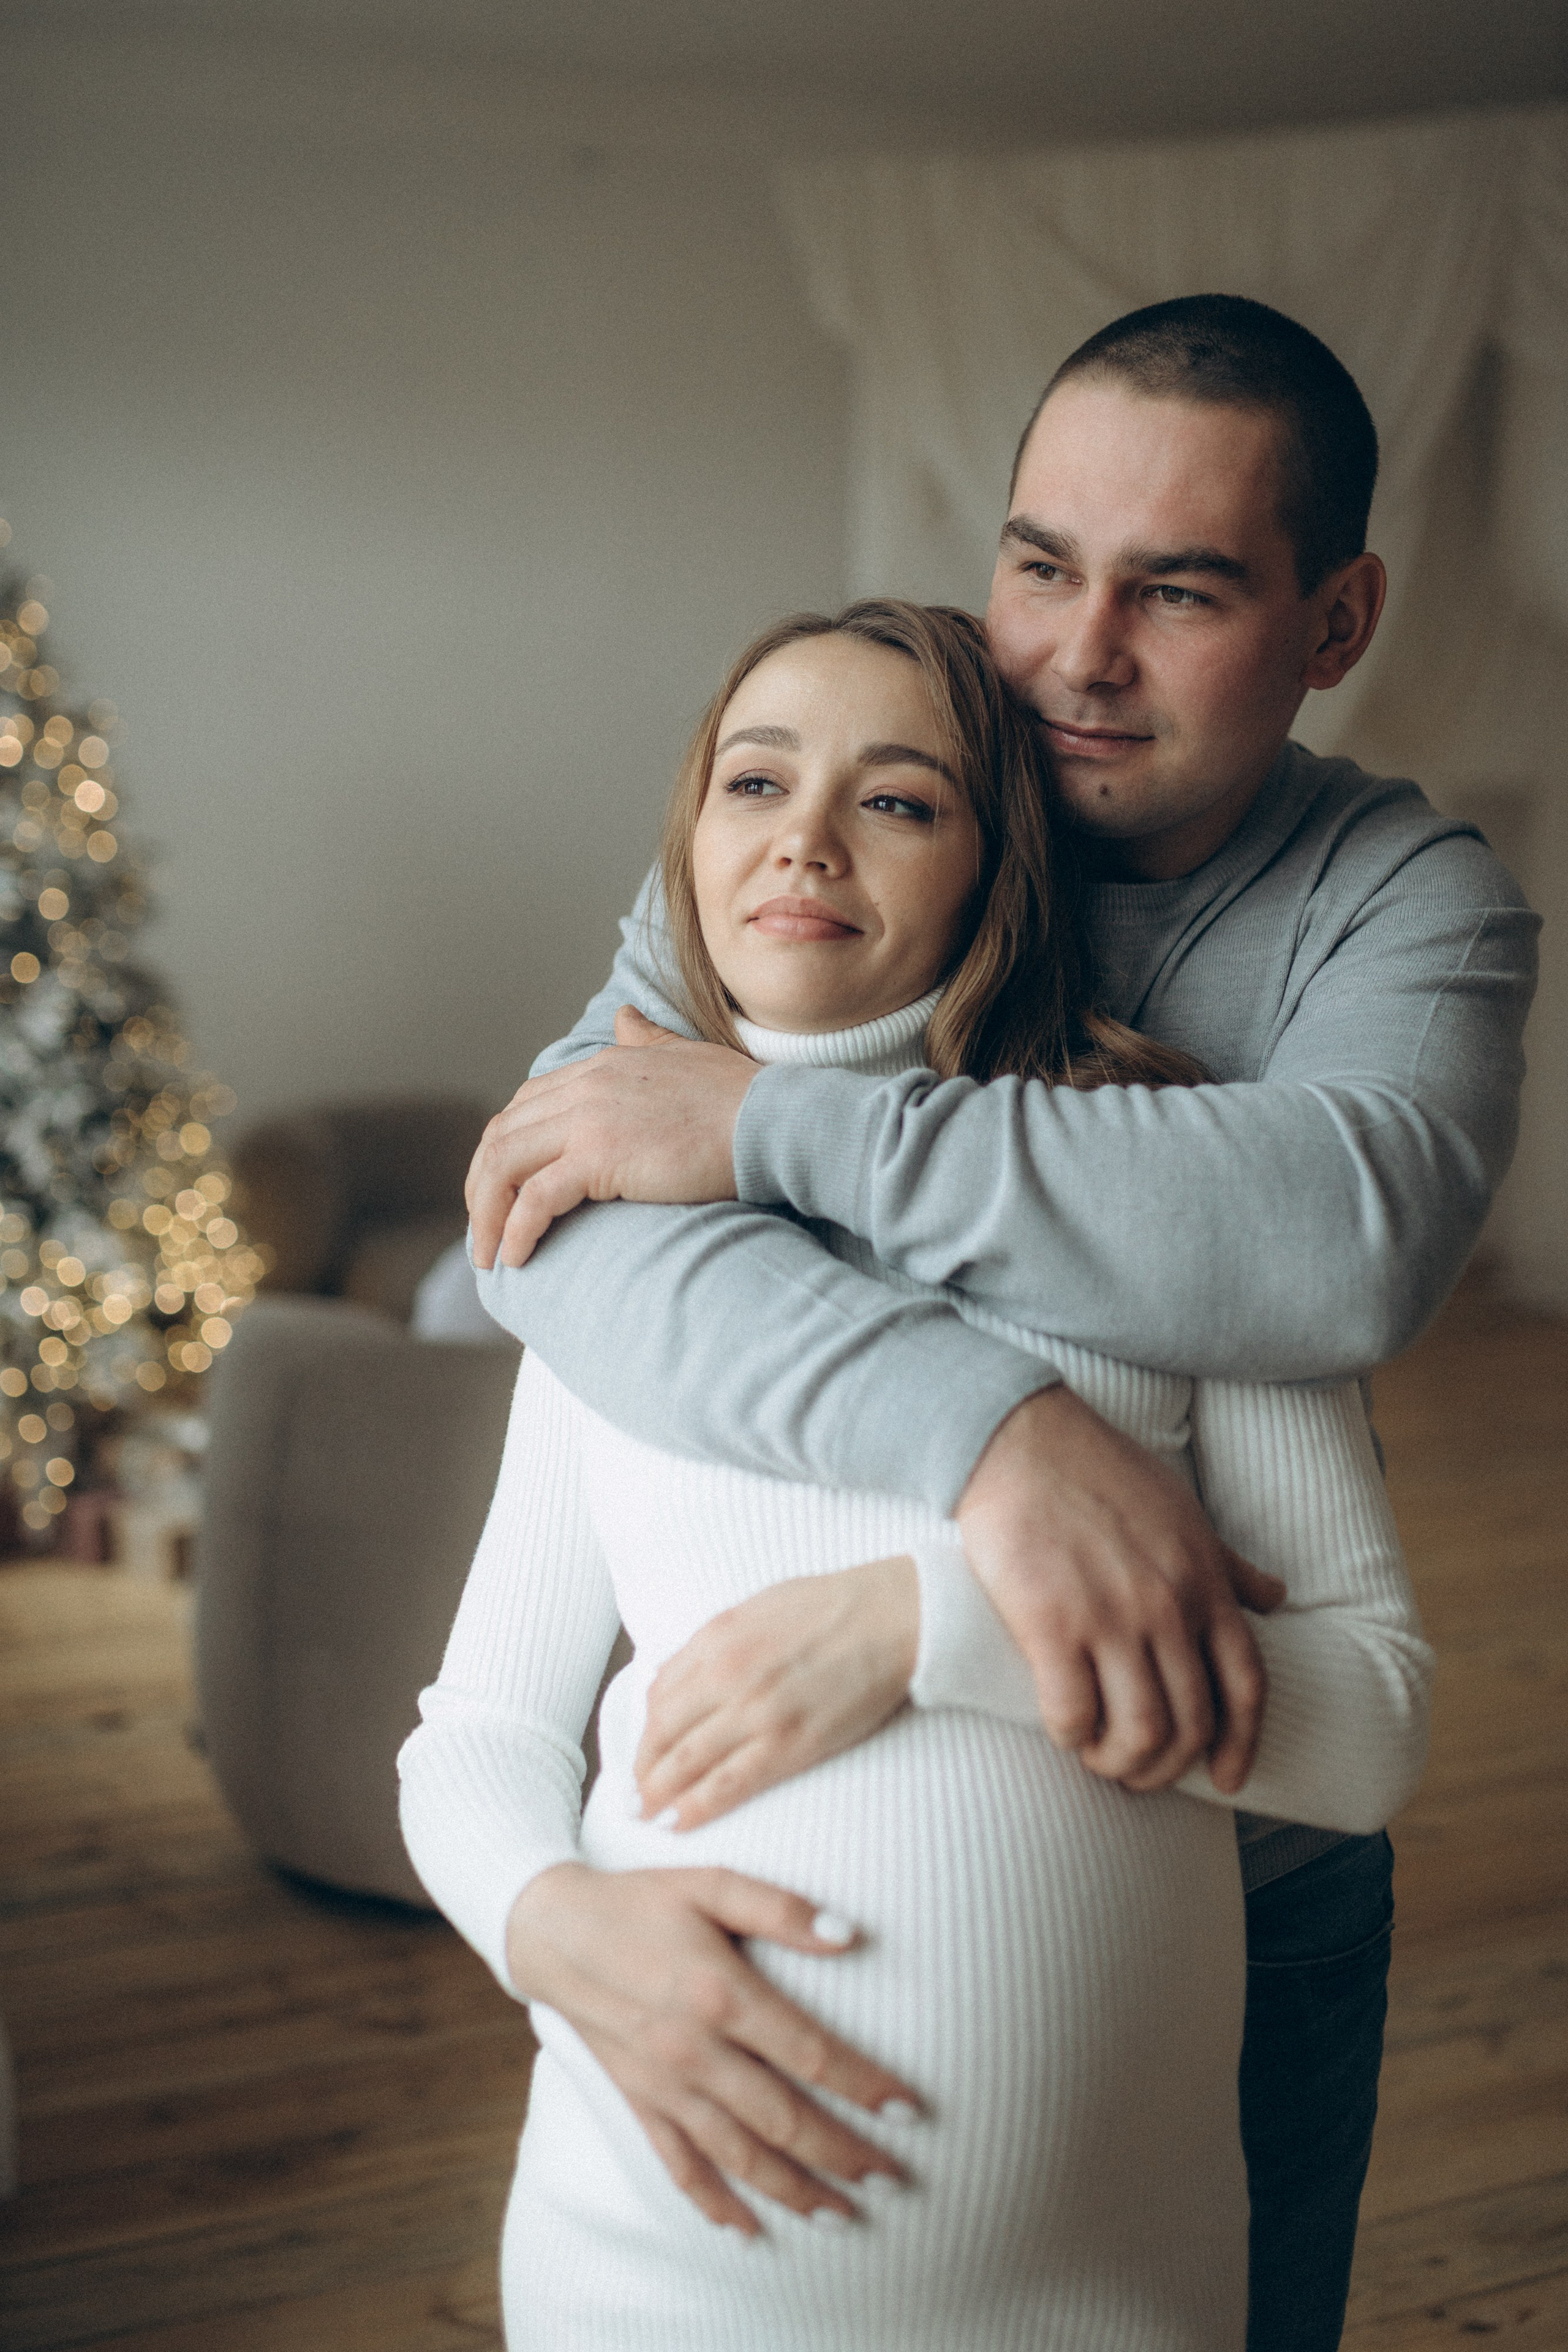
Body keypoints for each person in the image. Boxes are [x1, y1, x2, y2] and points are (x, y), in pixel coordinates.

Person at [462, 297, 1539, 2350]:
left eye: (1182, 589)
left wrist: (777, 1127)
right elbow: (561, 1202)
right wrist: (1004, 1442)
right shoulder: (861, 803)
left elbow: (1333, 1246)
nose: (1071, 657)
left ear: (1338, 622)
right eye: (1039, 563)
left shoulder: (1409, 906)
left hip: (1245, 1861)